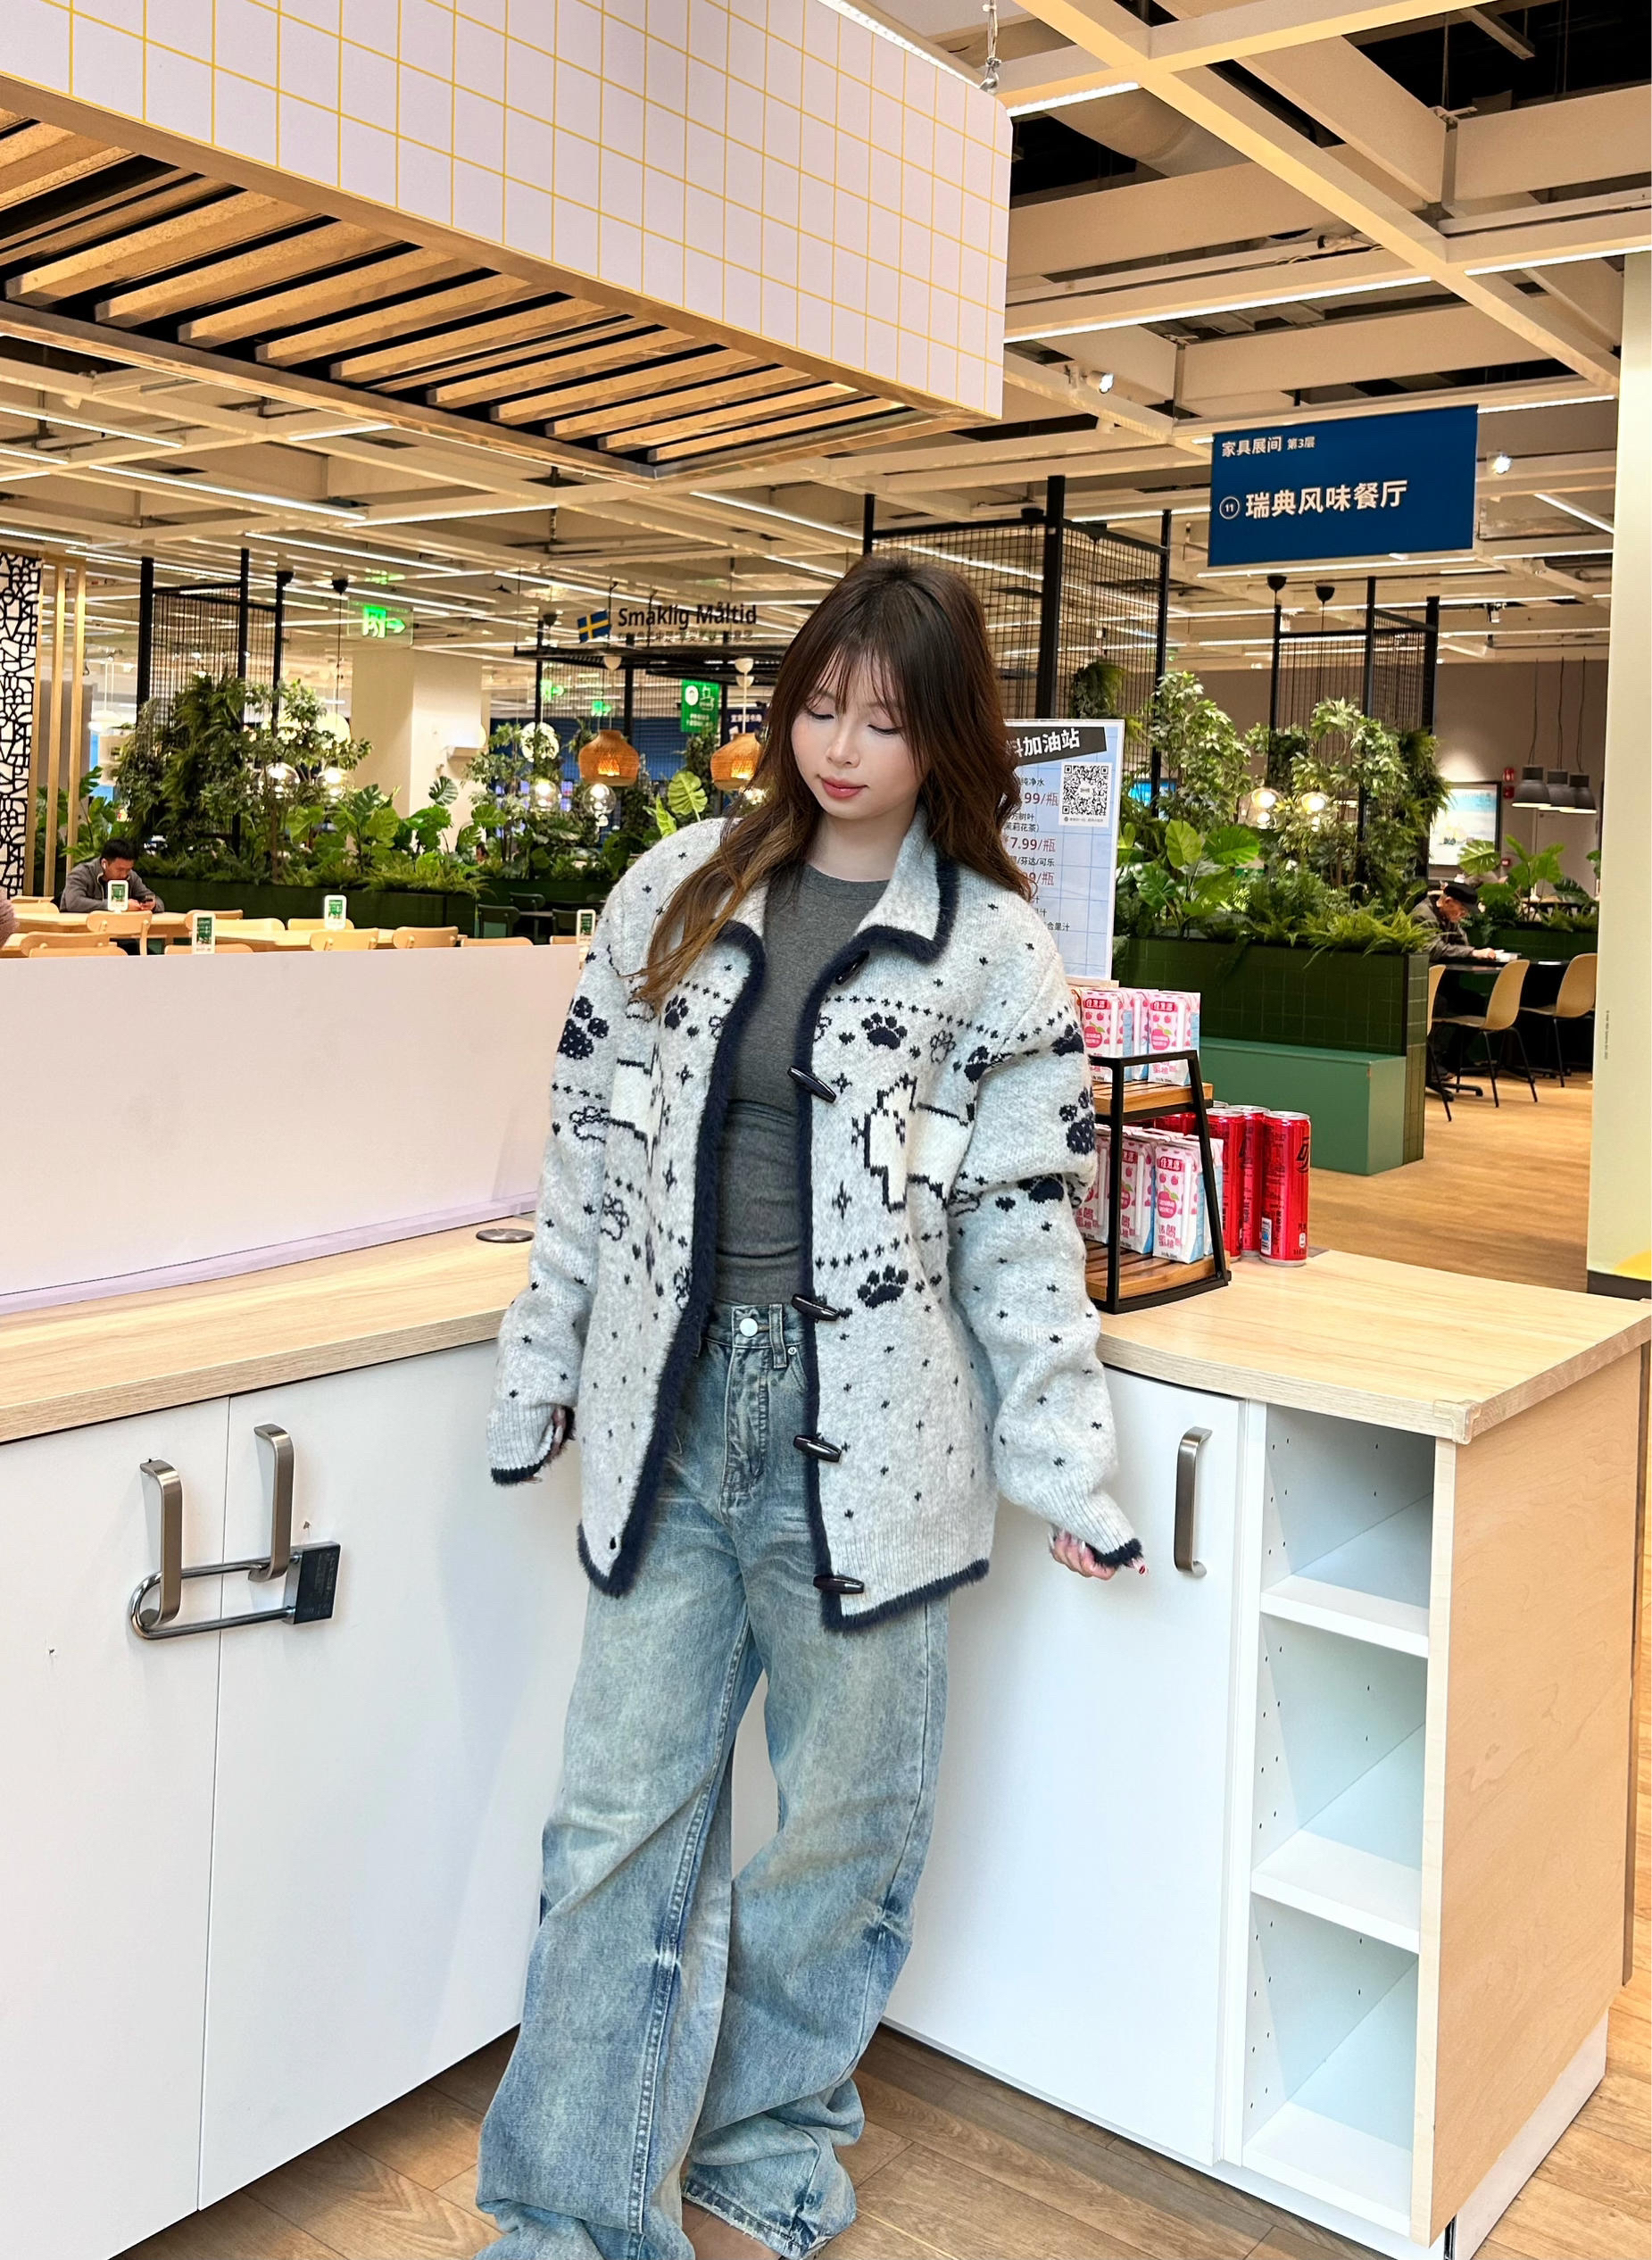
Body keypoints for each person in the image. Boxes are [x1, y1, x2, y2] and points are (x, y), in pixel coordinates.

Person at [477, 555, 1141, 2260]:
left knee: (846, 1828)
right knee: (615, 1820)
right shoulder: (675, 885)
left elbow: (1020, 1229)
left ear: (946, 741)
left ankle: (762, 2142)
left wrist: (1068, 1466)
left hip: (882, 1440)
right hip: (676, 1410)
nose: (840, 748)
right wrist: (541, 1367)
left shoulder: (994, 950)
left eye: (885, 721)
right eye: (820, 707)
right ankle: (565, 2214)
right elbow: (587, 1152)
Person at [59, 837, 164, 913]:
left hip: (120, 932)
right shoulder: (81, 873)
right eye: (120, 869)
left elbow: (156, 900)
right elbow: (74, 903)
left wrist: (152, 905)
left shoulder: (131, 876)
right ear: (104, 863)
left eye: (128, 869)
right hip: (81, 931)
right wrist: (119, 906)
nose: (124, 875)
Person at [1413, 878, 1497, 964]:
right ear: (1447, 902)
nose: (1464, 915)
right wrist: (1473, 952)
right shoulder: (1423, 914)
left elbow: (1462, 944)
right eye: (1462, 910)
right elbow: (1433, 950)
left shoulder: (1449, 916)